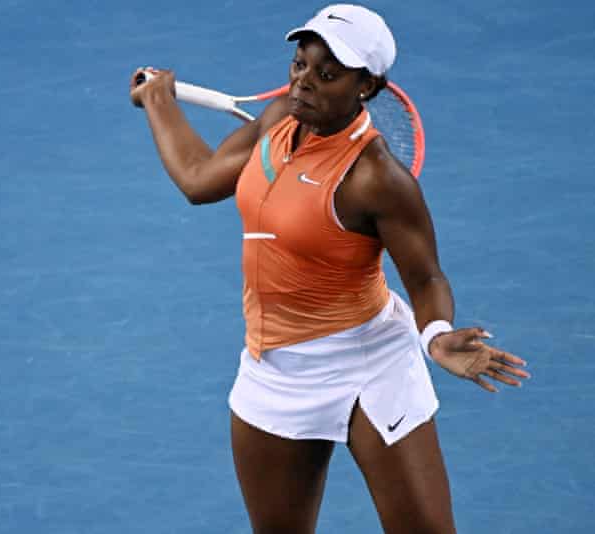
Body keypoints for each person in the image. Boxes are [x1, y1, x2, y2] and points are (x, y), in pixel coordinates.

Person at [129, 4, 530, 534]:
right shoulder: (279, 121)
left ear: (367, 87)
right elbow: (200, 179)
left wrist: (434, 336)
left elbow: (427, 277)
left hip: (369, 362)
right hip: (273, 367)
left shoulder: (377, 179)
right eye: (300, 64)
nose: (304, 83)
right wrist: (160, 103)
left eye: (327, 74)